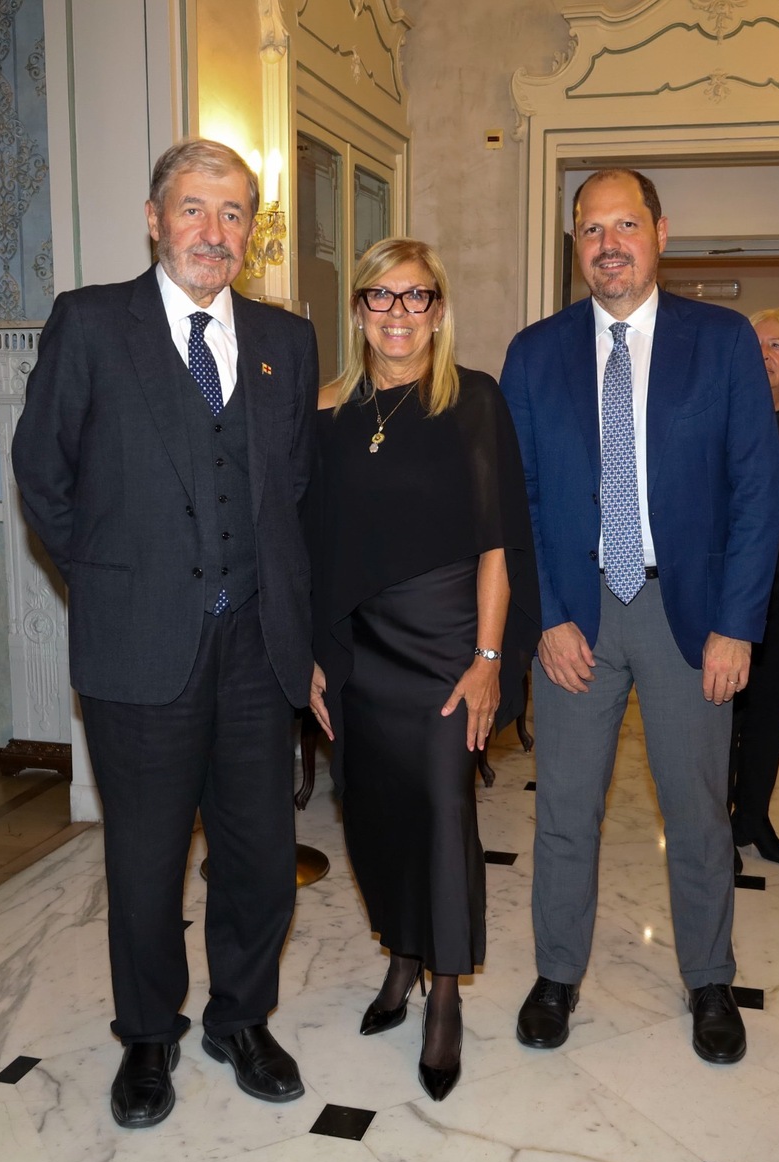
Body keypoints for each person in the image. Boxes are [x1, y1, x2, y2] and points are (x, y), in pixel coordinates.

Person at [12, 138, 318, 1127]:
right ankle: (148, 1035)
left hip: (256, 647)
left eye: (233, 214)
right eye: (193, 208)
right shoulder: (92, 323)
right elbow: (42, 473)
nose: (213, 231)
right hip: (138, 645)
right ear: (154, 219)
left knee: (259, 854)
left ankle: (242, 1018)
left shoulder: (285, 339)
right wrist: (109, 579)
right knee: (145, 861)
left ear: (250, 232)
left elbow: (293, 488)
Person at [500, 168, 779, 1065]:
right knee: (564, 808)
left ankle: (709, 978)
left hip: (686, 617)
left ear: (661, 233)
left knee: (696, 809)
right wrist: (545, 617)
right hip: (576, 616)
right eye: (591, 229)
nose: (608, 244)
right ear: (574, 244)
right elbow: (519, 500)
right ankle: (556, 974)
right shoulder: (534, 353)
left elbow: (757, 491)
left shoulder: (722, 341)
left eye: (625, 225)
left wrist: (737, 625)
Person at [308, 237, 540, 1101]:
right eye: (382, 295)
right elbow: (311, 542)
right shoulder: (325, 408)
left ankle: (444, 991)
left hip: (447, 642)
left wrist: (488, 660)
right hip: (358, 645)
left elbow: (497, 542)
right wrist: (316, 655)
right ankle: (401, 957)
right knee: (371, 812)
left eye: (417, 297)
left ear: (439, 311)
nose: (399, 313)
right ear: (359, 308)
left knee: (443, 813)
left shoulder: (473, 400)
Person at [730, 308, 779, 869]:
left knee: (770, 716)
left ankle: (752, 820)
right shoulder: (724, 422)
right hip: (728, 600)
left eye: (777, 345)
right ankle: (712, 829)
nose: (765, 355)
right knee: (721, 715)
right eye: (755, 345)